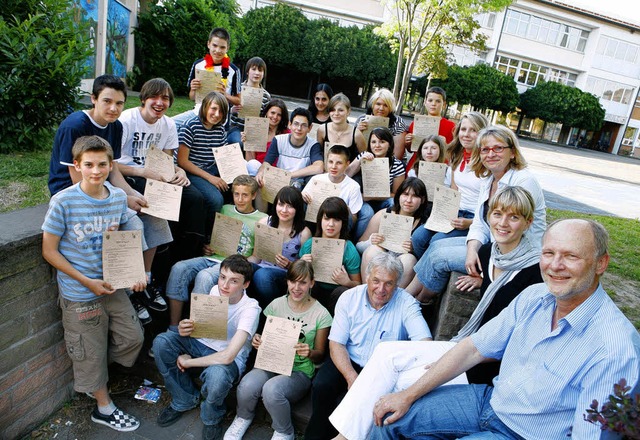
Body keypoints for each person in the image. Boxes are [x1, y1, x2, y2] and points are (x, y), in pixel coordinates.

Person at [368, 219, 640, 440]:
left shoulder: (615, 348)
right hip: (491, 403)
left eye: (571, 256)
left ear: (601, 263)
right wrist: (407, 395)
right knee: (389, 419)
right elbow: (473, 348)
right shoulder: (535, 296)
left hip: (525, 435)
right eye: (548, 253)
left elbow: (592, 435)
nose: (555, 266)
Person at [329, 185, 543, 440]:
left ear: (528, 222)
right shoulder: (489, 254)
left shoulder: (536, 272)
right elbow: (496, 287)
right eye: (498, 214)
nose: (503, 223)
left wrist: (451, 360)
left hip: (484, 363)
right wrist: (481, 281)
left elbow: (515, 340)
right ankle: (343, 437)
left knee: (398, 385)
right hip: (467, 343)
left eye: (514, 217)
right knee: (385, 353)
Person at [48, 74, 173, 324]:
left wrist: (131, 193)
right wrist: (120, 201)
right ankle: (128, 289)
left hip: (102, 186)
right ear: (93, 99)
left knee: (153, 213)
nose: (113, 108)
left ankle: (144, 280)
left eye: (119, 103)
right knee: (133, 226)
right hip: (76, 193)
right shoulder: (75, 125)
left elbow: (113, 168)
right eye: (107, 101)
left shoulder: (115, 126)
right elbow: (76, 179)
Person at [42, 136, 144, 432]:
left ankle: (94, 377)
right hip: (80, 292)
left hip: (111, 286)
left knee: (132, 338)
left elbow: (122, 237)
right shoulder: (63, 201)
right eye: (89, 165)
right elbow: (49, 251)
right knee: (89, 351)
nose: (96, 171)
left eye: (102, 164)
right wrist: (87, 281)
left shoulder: (115, 197)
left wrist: (135, 273)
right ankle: (103, 406)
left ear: (111, 165)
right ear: (77, 166)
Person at [407, 124, 546, 304]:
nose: (490, 154)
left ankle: (419, 300)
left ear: (512, 152)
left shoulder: (523, 181)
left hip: (515, 257)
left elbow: (511, 233)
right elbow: (480, 223)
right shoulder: (489, 179)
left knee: (440, 257)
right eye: (485, 149)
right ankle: (407, 296)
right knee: (437, 245)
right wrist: (472, 250)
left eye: (498, 148)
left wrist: (487, 276)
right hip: (491, 245)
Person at [304, 252, 432, 440]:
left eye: (388, 283)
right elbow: (337, 343)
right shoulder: (349, 298)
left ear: (396, 284)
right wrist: (351, 377)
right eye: (376, 281)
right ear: (367, 277)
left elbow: (424, 344)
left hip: (382, 369)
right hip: (349, 357)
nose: (381, 289)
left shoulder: (407, 303)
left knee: (357, 404)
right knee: (322, 386)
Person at [153, 255, 261, 440]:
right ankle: (184, 398)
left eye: (233, 281)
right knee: (162, 342)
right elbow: (200, 328)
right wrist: (184, 327)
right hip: (200, 343)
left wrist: (189, 362)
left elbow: (227, 356)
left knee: (217, 376)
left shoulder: (251, 309)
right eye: (222, 277)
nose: (224, 285)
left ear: (246, 284)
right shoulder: (213, 291)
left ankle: (212, 416)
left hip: (228, 359)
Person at [225, 260, 332, 440]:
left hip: (299, 371)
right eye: (292, 281)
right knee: (246, 385)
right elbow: (265, 335)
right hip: (272, 362)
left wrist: (310, 352)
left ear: (312, 283)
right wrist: (258, 339)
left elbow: (320, 354)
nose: (296, 288)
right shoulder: (276, 304)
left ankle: (284, 430)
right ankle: (243, 417)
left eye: (303, 282)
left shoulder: (321, 314)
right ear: (287, 282)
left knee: (272, 390)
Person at [117, 77, 205, 263]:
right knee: (162, 202)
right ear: (143, 99)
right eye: (154, 97)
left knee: (195, 199)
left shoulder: (168, 124)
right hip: (131, 175)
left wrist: (179, 171)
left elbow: (167, 161)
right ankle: (159, 261)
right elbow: (110, 164)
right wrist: (142, 172)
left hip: (158, 176)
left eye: (165, 98)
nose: (159, 102)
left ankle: (186, 257)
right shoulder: (126, 120)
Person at [165, 175, 266, 330]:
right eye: (236, 194)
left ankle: (197, 330)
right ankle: (173, 327)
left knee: (204, 277)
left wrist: (242, 260)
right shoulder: (225, 209)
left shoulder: (262, 219)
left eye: (245, 195)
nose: (240, 199)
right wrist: (207, 246)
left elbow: (257, 258)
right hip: (213, 257)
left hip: (233, 265)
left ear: (253, 195)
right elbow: (215, 237)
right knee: (179, 268)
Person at [411, 112, 489, 259]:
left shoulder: (487, 161)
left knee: (436, 241)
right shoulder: (457, 156)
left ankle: (424, 277)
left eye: (473, 130)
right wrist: (442, 214)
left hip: (474, 217)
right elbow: (454, 190)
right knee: (418, 238)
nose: (466, 134)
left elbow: (491, 203)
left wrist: (471, 223)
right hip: (454, 212)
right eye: (463, 129)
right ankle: (423, 270)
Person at [357, 178, 430, 288]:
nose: (409, 200)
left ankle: (394, 301)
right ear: (399, 195)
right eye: (405, 194)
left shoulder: (424, 225)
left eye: (415, 196)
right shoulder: (383, 215)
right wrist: (370, 241)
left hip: (401, 268)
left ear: (423, 199)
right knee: (373, 250)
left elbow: (425, 261)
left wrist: (414, 249)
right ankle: (366, 293)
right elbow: (358, 246)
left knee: (409, 260)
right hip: (379, 263)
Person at [249, 186, 312, 308]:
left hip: (285, 275)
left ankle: (274, 311)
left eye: (290, 206)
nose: (284, 210)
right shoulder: (264, 223)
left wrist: (290, 265)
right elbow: (256, 257)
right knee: (240, 268)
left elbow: (303, 270)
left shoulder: (304, 233)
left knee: (262, 275)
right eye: (281, 204)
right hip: (261, 266)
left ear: (297, 209)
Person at [177, 91, 229, 237]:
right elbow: (182, 161)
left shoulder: (220, 129)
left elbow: (224, 156)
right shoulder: (190, 127)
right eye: (214, 109)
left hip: (212, 168)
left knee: (238, 189)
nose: (217, 114)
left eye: (221, 111)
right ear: (205, 107)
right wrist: (210, 178)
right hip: (192, 171)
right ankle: (207, 238)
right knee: (215, 199)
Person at [299, 197, 361, 314]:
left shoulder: (349, 249)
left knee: (341, 291)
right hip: (313, 294)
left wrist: (347, 282)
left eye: (336, 220)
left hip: (337, 300)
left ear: (343, 223)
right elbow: (294, 277)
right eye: (326, 219)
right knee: (309, 285)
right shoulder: (310, 244)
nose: (331, 224)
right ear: (320, 220)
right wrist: (301, 264)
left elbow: (359, 285)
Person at [172, 27, 241, 130]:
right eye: (214, 45)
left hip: (219, 117)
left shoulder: (233, 70)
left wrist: (225, 95)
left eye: (222, 47)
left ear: (227, 48)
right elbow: (191, 97)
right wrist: (193, 88)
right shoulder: (198, 65)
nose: (217, 50)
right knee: (170, 124)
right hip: (198, 113)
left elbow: (238, 100)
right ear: (208, 44)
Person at [302, 145, 371, 242]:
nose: (333, 166)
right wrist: (303, 197)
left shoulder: (353, 186)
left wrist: (346, 209)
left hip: (338, 228)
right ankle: (307, 238)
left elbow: (353, 220)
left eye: (339, 163)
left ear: (347, 164)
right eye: (330, 162)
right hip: (315, 223)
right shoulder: (316, 179)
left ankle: (346, 242)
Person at [255, 108, 324, 190]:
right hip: (279, 181)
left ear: (310, 128)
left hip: (300, 185)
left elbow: (319, 167)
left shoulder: (313, 145)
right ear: (289, 124)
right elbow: (267, 163)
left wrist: (289, 175)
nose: (299, 128)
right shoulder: (278, 140)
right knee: (260, 184)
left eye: (304, 125)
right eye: (296, 124)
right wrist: (260, 173)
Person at [347, 127, 405, 212]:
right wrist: (359, 161)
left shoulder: (397, 165)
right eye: (373, 142)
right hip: (362, 199)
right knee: (367, 213)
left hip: (383, 200)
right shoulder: (363, 156)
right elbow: (346, 175)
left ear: (389, 145)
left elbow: (396, 194)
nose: (377, 145)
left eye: (382, 142)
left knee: (393, 203)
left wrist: (371, 196)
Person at [404, 86, 456, 171]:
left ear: (444, 105)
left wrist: (445, 145)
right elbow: (411, 150)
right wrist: (407, 142)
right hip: (416, 165)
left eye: (438, 101)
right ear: (425, 102)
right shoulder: (416, 123)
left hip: (439, 167)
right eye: (430, 100)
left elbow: (453, 153)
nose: (433, 104)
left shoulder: (451, 127)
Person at [228, 56, 271, 147]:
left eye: (260, 70)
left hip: (254, 130)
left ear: (264, 74)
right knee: (240, 143)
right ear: (247, 71)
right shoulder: (237, 89)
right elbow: (224, 110)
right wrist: (232, 110)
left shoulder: (266, 96)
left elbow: (266, 118)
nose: (257, 73)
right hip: (236, 128)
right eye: (254, 69)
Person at [355, 89, 407, 160]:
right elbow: (355, 147)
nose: (381, 108)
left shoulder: (397, 122)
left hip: (389, 162)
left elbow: (397, 154)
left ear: (390, 108)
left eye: (386, 105)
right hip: (365, 159)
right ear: (373, 105)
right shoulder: (362, 119)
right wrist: (358, 132)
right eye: (378, 104)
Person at [316, 93, 366, 162]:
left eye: (340, 110)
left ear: (348, 111)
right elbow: (317, 155)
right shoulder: (322, 130)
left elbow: (364, 159)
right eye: (333, 110)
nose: (336, 113)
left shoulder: (357, 134)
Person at [245, 98, 289, 173]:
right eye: (272, 113)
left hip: (277, 172)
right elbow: (250, 161)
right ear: (266, 113)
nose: (275, 117)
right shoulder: (256, 130)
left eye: (279, 115)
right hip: (257, 169)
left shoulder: (287, 133)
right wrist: (247, 143)